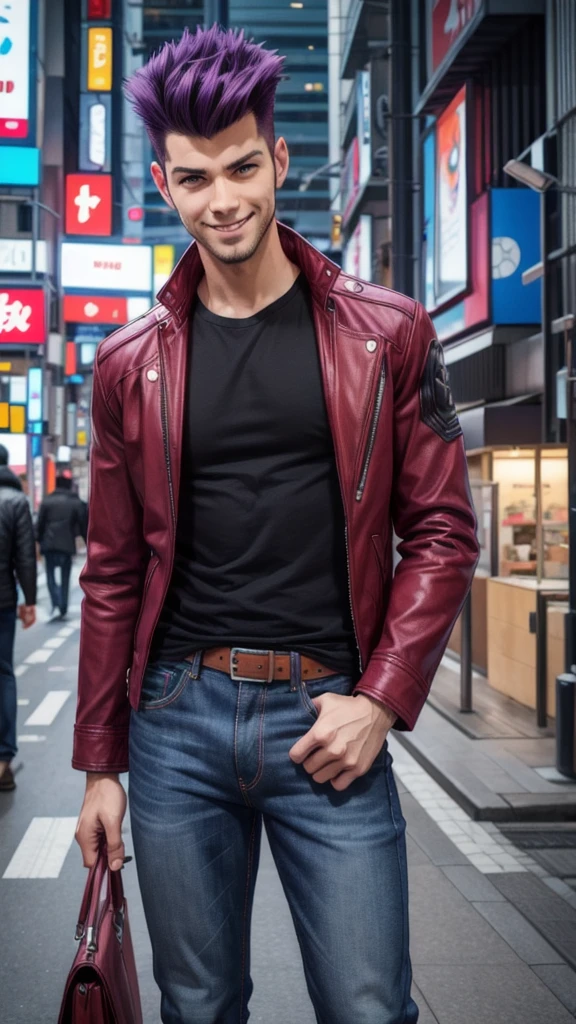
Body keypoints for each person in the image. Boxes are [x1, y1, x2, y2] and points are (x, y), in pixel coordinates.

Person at [73, 25, 480, 1024]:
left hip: (329, 720)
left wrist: (380, 702)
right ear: (165, 187)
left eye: (243, 166)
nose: (224, 200)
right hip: (176, 723)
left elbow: (442, 531)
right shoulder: (130, 365)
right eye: (196, 178)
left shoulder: (388, 333)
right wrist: (99, 765)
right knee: (199, 1006)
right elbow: (114, 568)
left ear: (280, 158)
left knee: (371, 1006)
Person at [0, 445, 36, 792]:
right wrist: (29, 601)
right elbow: (25, 556)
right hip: (3, 602)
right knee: (3, 674)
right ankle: (2, 760)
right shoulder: (16, 500)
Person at [36, 473, 87, 621]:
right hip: (66, 545)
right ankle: (63, 605)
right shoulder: (75, 502)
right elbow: (83, 524)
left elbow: (40, 524)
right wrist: (87, 541)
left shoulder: (47, 501)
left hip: (49, 544)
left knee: (50, 576)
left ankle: (55, 601)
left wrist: (38, 539)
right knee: (65, 576)